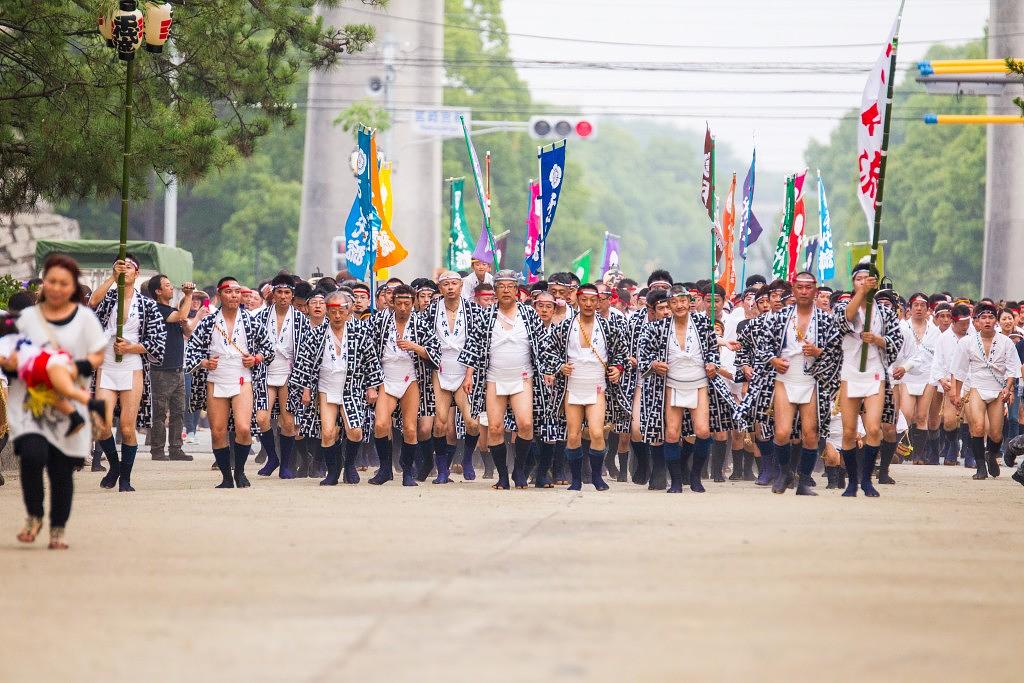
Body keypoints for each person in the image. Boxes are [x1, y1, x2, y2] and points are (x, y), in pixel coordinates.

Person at [8, 254, 107, 549]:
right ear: (44, 283)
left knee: (61, 470)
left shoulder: (85, 319)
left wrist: (75, 368)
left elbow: (98, 354)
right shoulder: (27, 318)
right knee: (32, 457)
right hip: (31, 403)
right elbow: (10, 350)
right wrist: (13, 363)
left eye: (64, 283)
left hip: (68, 402)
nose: (56, 287)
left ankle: (58, 529)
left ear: (72, 286)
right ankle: (34, 515)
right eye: (51, 281)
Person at [738, 272, 842, 496]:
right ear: (793, 289)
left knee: (810, 433)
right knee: (782, 432)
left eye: (808, 287)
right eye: (800, 287)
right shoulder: (780, 317)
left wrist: (818, 352)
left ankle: (803, 481)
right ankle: (784, 473)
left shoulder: (826, 320)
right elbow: (763, 346)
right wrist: (773, 360)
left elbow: (837, 352)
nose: (804, 291)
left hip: (812, 380)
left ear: (815, 290)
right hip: (785, 378)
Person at [639, 283, 738, 493]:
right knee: (671, 434)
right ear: (669, 305)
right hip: (672, 384)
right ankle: (676, 481)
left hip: (699, 382)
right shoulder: (658, 328)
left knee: (702, 431)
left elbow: (712, 350)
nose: (679, 306)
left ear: (690, 302)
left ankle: (695, 476)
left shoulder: (702, 323)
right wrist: (654, 364)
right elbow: (644, 355)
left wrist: (712, 364)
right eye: (674, 302)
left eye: (683, 301)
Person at [460, 270, 554, 490]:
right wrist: (469, 375)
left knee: (526, 424)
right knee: (494, 428)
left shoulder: (529, 314)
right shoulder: (486, 316)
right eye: (501, 286)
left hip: (523, 377)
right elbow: (473, 347)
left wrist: (549, 370)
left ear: (516, 290)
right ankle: (502, 476)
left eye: (510, 286)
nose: (505, 290)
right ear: (495, 290)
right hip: (494, 377)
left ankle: (519, 469)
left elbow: (543, 345)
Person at [184, 277, 274, 489]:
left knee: (243, 428)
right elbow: (191, 351)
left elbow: (269, 349)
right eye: (228, 291)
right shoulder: (208, 322)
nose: (233, 295)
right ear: (219, 295)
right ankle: (226, 476)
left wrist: (256, 358)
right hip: (216, 378)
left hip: (242, 378)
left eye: (237, 291)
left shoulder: (252, 321)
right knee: (218, 431)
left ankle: (240, 471)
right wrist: (204, 362)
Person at [90, 256, 167, 492]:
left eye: (129, 267)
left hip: (131, 366)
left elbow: (158, 342)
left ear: (137, 272)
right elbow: (92, 302)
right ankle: (115, 466)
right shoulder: (109, 297)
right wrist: (112, 278)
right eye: (120, 267)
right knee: (101, 423)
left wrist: (132, 347)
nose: (125, 270)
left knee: (126, 427)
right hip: (107, 364)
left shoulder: (147, 305)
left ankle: (126, 477)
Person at [291, 291, 381, 485]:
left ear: (348, 311)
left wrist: (372, 386)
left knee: (355, 431)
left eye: (341, 311)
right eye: (333, 312)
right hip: (326, 386)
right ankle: (333, 471)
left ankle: (349, 465)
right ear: (327, 311)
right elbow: (304, 362)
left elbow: (371, 361)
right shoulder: (316, 334)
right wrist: (306, 389)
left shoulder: (360, 331)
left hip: (351, 386)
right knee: (328, 432)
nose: (337, 316)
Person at [545, 283, 628, 491]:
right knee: (573, 435)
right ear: (578, 300)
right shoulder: (565, 326)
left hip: (597, 385)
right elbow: (547, 350)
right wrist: (559, 366)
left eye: (593, 300)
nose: (589, 304)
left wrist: (618, 368)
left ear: (598, 301)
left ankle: (596, 476)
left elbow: (621, 353)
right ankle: (575, 479)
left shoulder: (608, 327)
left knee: (597, 433)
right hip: (573, 386)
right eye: (584, 300)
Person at [834, 264, 904, 498]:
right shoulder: (844, 306)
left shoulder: (884, 312)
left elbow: (896, 341)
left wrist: (877, 339)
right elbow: (843, 321)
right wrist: (861, 294)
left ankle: (866, 479)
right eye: (859, 279)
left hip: (874, 372)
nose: (863, 282)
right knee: (849, 431)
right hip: (850, 372)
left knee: (874, 428)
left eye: (868, 279)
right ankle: (852, 481)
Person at [367, 284, 437, 486]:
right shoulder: (379, 321)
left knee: (410, 428)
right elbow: (368, 352)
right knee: (381, 424)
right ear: (392, 303)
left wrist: (416, 348)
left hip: (410, 378)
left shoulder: (421, 324)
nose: (403, 308)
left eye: (407, 303)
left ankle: (407, 472)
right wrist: (371, 384)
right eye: (399, 303)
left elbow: (436, 353)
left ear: (413, 303)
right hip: (386, 378)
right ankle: (385, 469)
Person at [950, 302, 1021, 480]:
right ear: (977, 321)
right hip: (976, 386)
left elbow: (1012, 369)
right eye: (983, 318)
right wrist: (956, 393)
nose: (987, 321)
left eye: (991, 317)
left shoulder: (1006, 342)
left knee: (996, 434)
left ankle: (991, 454)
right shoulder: (967, 342)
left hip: (997, 389)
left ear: (995, 321)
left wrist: (1008, 388)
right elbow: (959, 370)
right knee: (978, 427)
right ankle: (980, 467)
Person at [423, 271, 481, 483]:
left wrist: (469, 373)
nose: (450, 287)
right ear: (440, 288)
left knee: (472, 423)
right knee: (440, 423)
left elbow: (477, 343)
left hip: (464, 368)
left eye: (454, 284)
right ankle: (442, 470)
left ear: (460, 286)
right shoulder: (431, 310)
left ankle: (467, 458)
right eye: (446, 284)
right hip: (440, 369)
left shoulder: (473, 309)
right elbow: (424, 338)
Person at [253, 274, 305, 478]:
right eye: (279, 292)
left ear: (292, 295)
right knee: (261, 418)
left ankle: (286, 464)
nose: (283, 296)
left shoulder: (300, 319)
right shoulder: (260, 317)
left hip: (289, 374)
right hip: (265, 371)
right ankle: (272, 457)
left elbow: (305, 352)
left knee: (288, 423)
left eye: (287, 292)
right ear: (273, 294)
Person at [146, 273, 198, 462]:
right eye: (167, 285)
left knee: (178, 412)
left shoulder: (172, 310)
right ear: (158, 291)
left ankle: (176, 448)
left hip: (178, 368)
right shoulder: (157, 309)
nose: (171, 288)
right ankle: (157, 450)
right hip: (161, 369)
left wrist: (186, 322)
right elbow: (182, 315)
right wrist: (189, 295)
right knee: (160, 412)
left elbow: (187, 330)